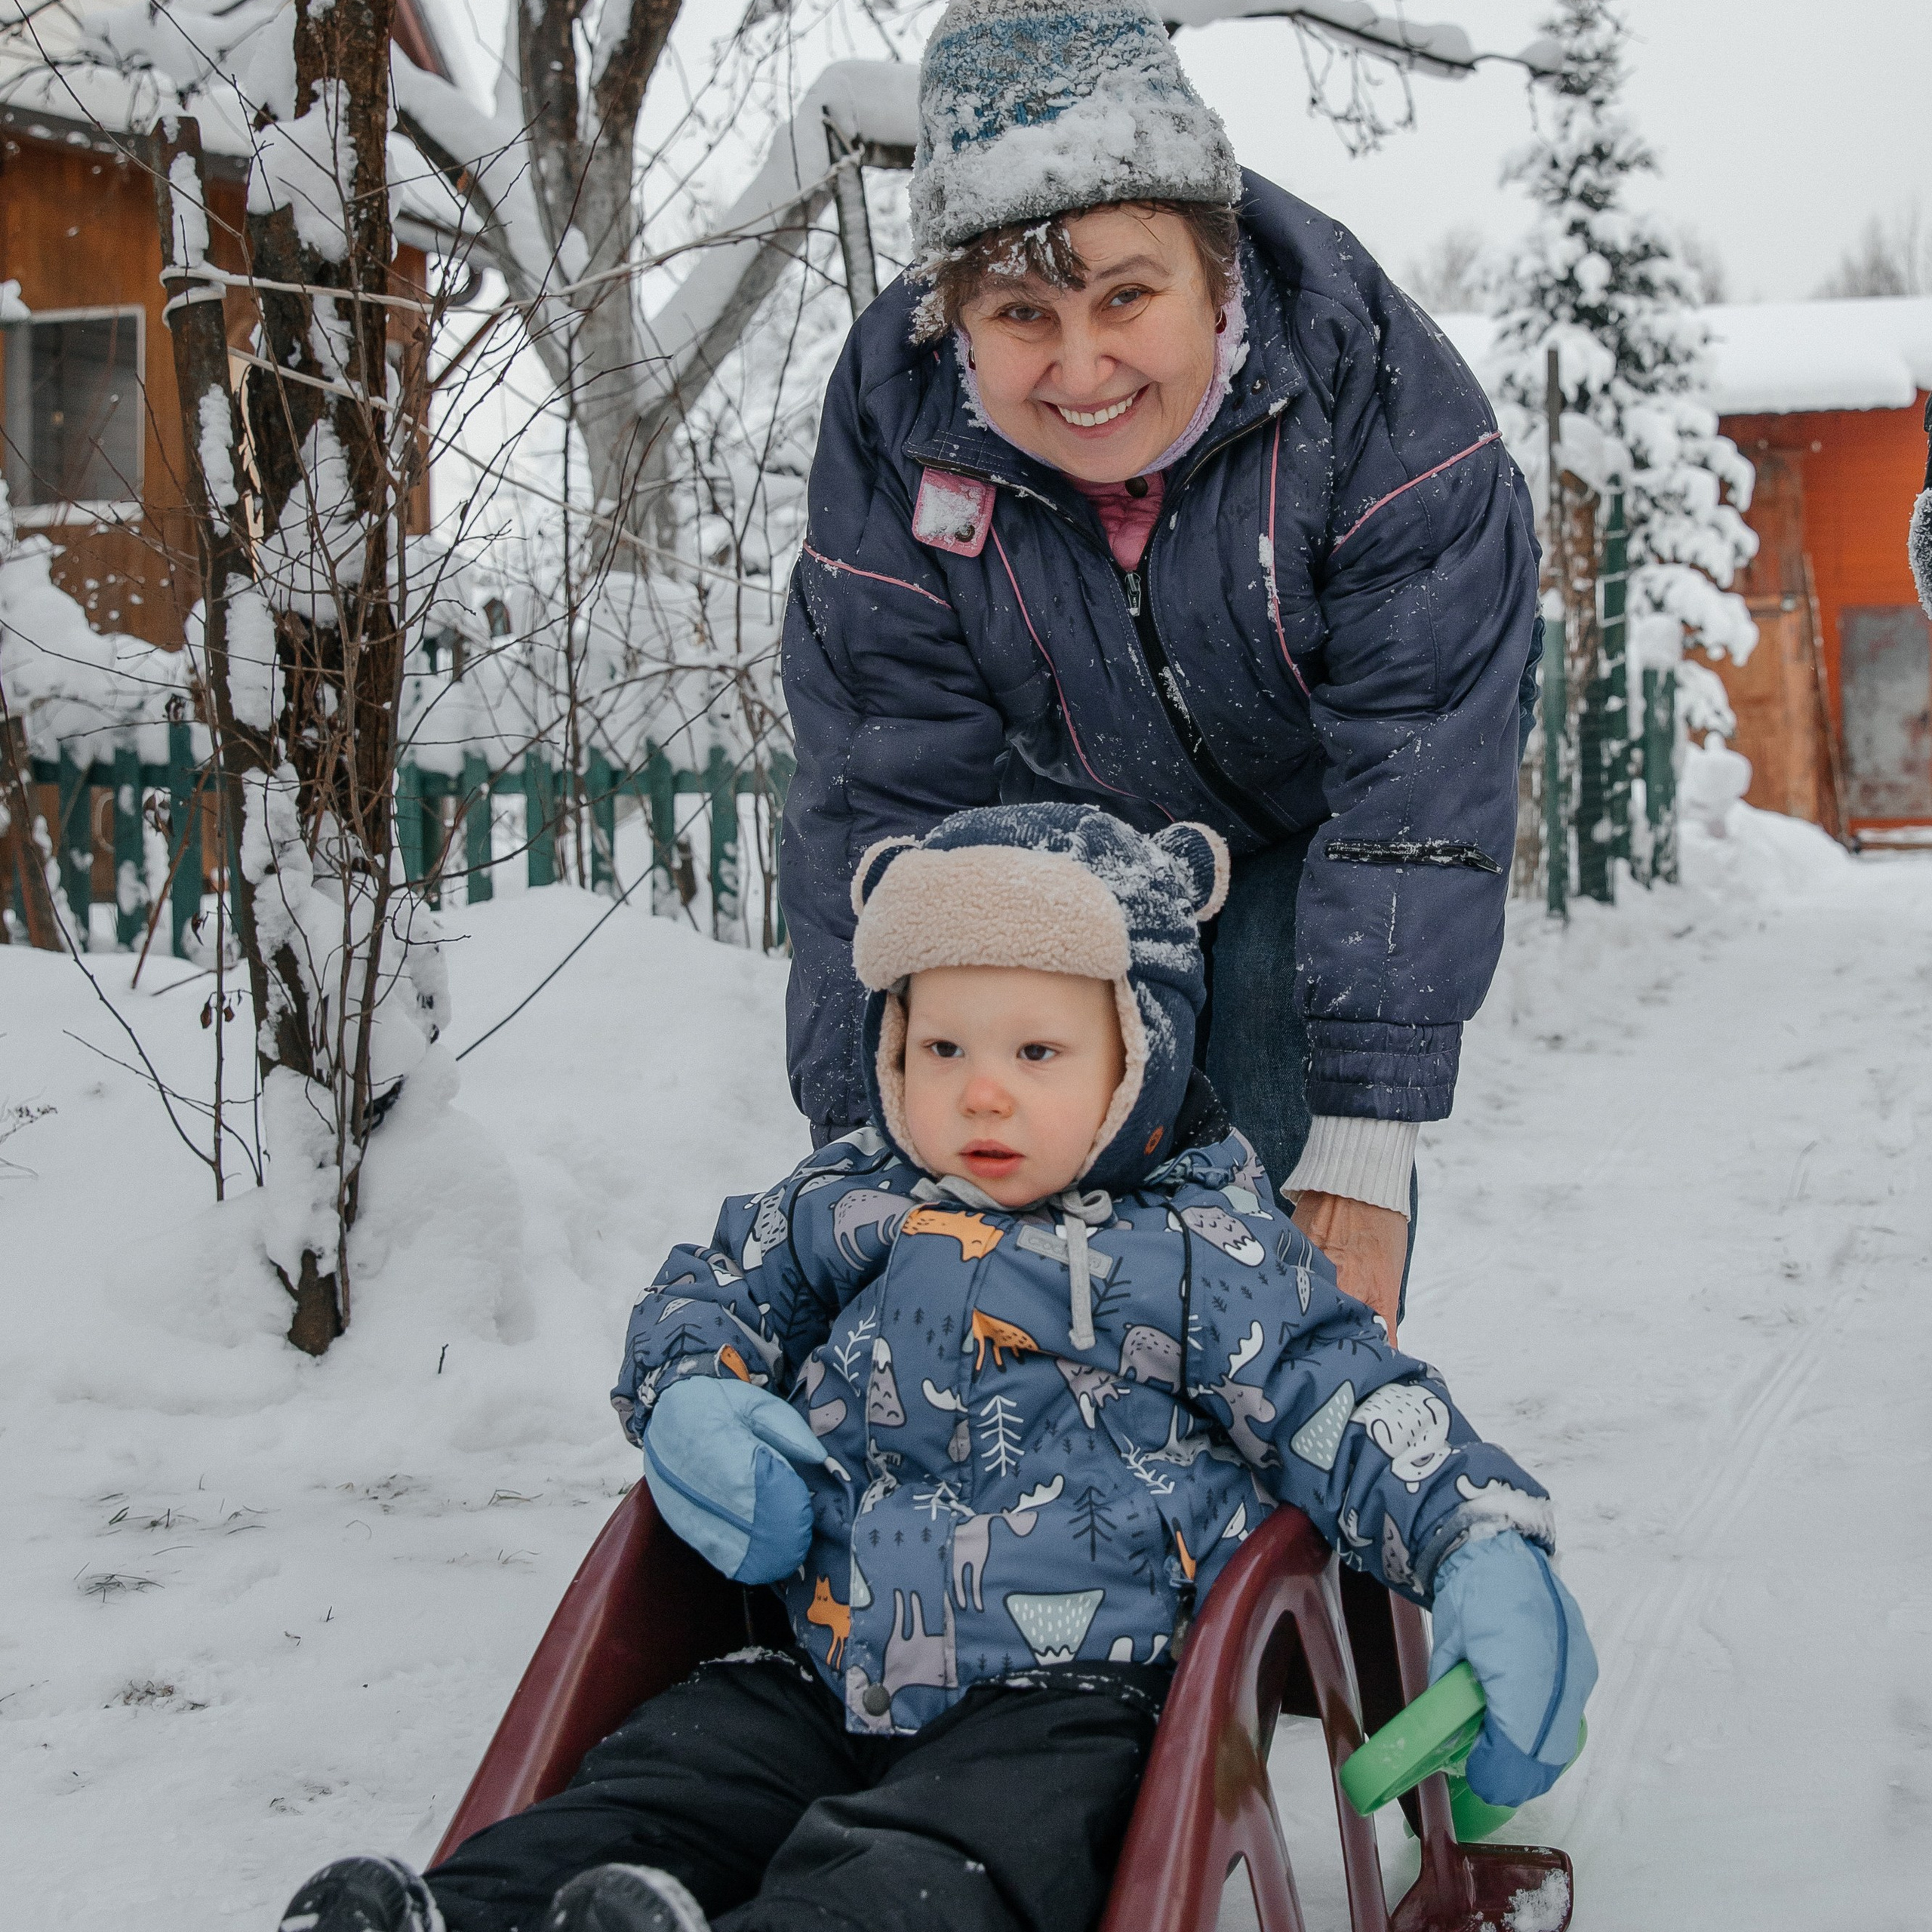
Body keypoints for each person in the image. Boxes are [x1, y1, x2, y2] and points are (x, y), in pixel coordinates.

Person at [281, 806, 1593, 1932]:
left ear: (1143, 1057)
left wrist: (1480, 1541)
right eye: (941, 1049)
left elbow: (1349, 1394)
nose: (980, 1096)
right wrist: (692, 1390)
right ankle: (465, 1914)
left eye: (1037, 1054)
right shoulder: (846, 1202)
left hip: (1068, 1703)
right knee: (658, 1788)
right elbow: (709, 1292)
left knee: (927, 1866)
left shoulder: (1207, 1251)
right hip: (812, 1662)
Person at [782, 0, 1543, 1338]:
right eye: (1021, 314)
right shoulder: (901, 422)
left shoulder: (1378, 399)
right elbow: (882, 772)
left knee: (1262, 1161)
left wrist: (1361, 1153)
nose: (1082, 369)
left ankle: (1290, 1476)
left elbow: (1423, 761)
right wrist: (867, 1132)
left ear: (1214, 256)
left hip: (1320, 836)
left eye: (1127, 295)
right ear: (956, 311)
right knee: (1005, 1191)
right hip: (1054, 843)